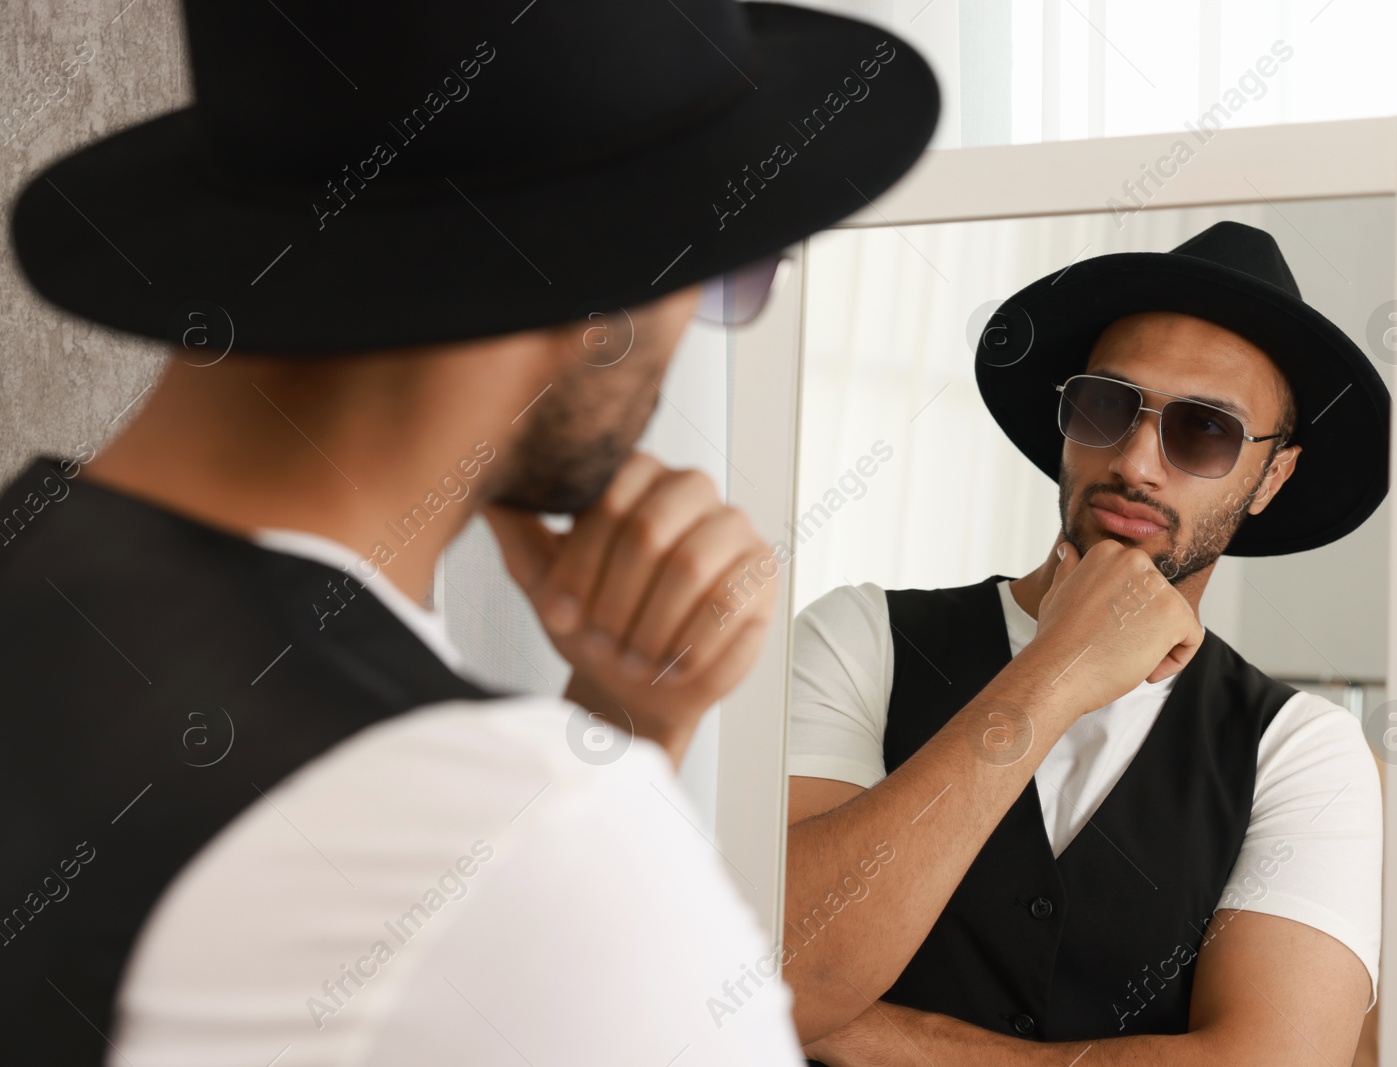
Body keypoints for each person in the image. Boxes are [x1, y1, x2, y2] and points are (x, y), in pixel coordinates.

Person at [0, 1, 939, 1063]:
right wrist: (586, 794)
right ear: (596, 275)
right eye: (730, 269)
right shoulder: (511, 838)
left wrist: (620, 727)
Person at [785, 221, 1388, 1065]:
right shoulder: (863, 639)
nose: (1137, 462)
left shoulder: (1301, 753)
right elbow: (775, 971)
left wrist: (880, 1038)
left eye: (1204, 431)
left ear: (1272, 477)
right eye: (1108, 405)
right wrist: (1055, 672)